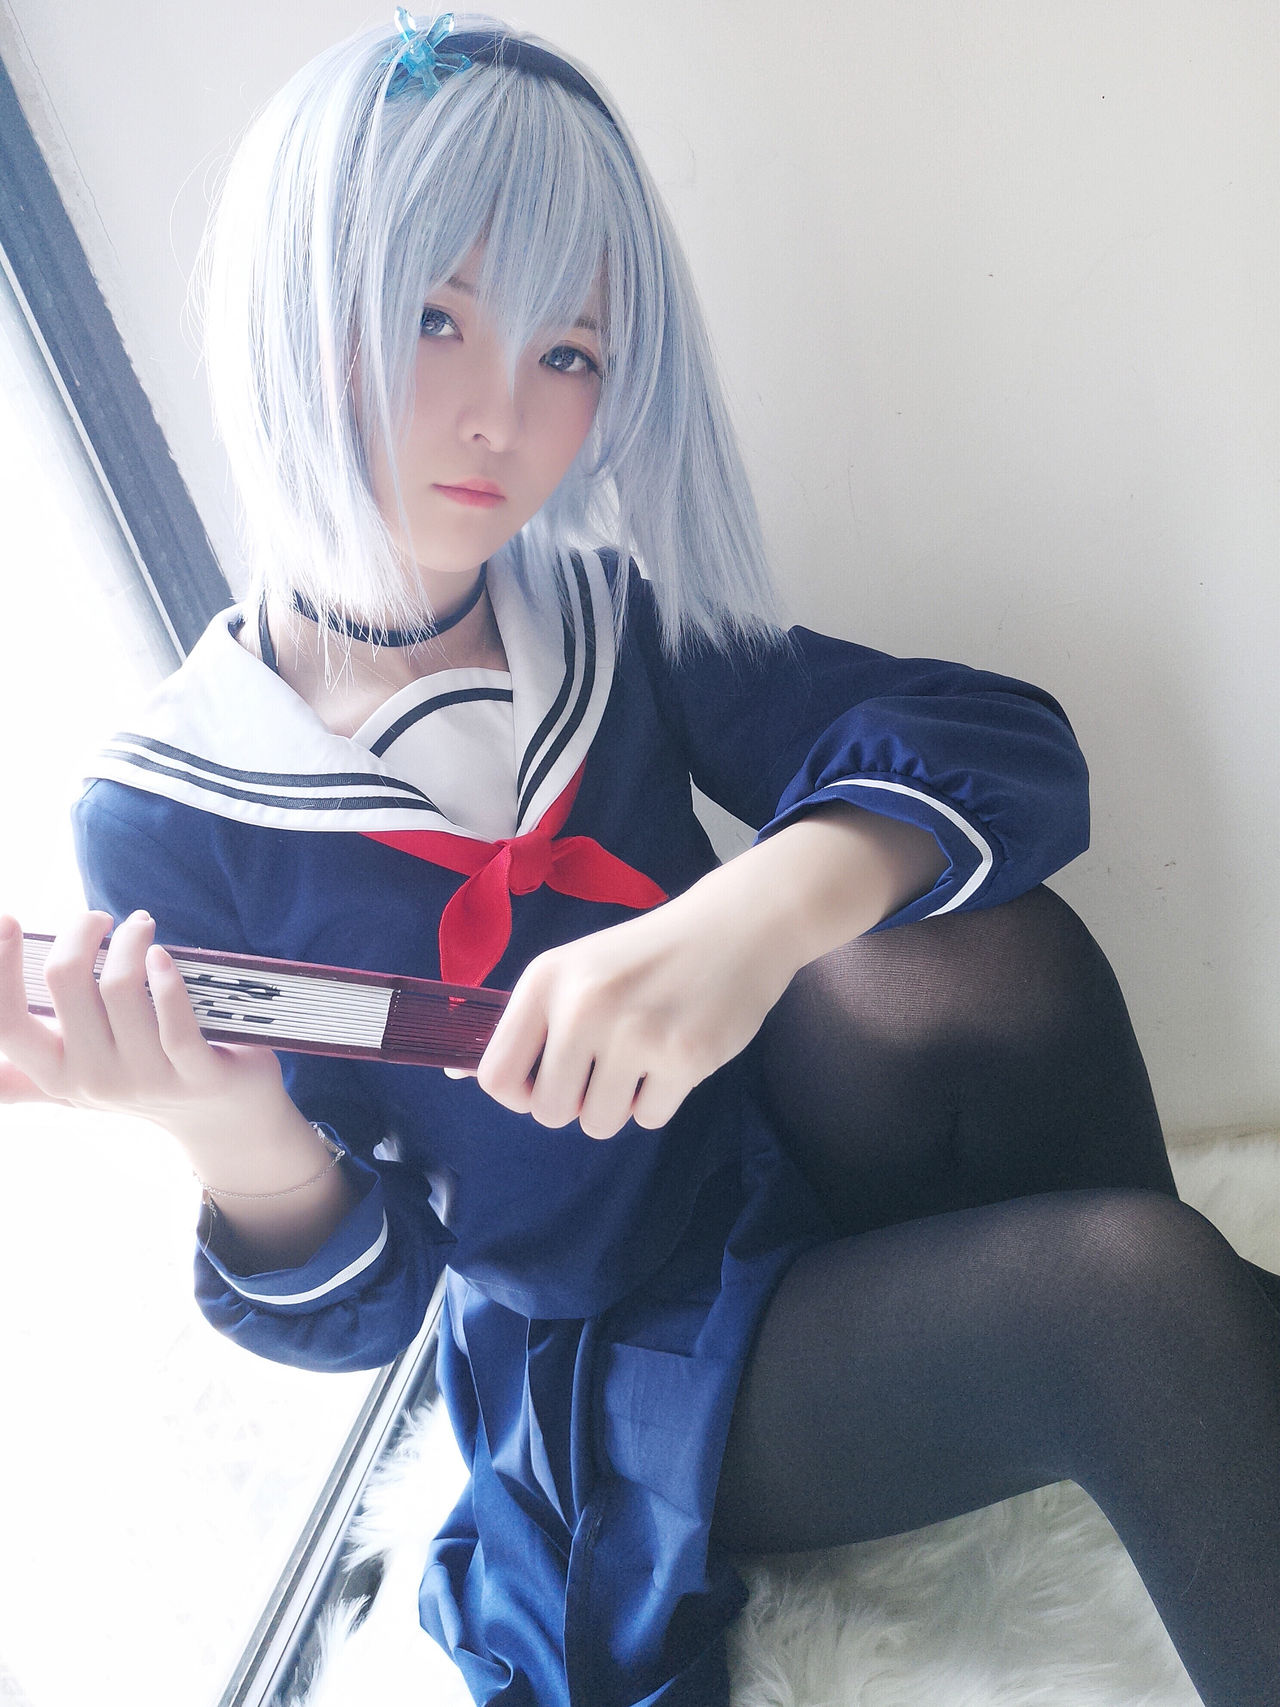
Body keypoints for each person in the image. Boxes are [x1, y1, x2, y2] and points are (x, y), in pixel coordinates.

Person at [0, 13, 1277, 1704]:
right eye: (434, 318)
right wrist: (231, 1132)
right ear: (293, 302)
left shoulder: (600, 616)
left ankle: (1190, 1404)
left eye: (569, 351)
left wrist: (761, 908)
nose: (498, 414)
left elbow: (1000, 745)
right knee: (1137, 1298)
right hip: (633, 1359)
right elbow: (368, 1320)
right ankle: (1167, 1358)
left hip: (788, 1169)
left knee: (966, 942)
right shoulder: (171, 807)